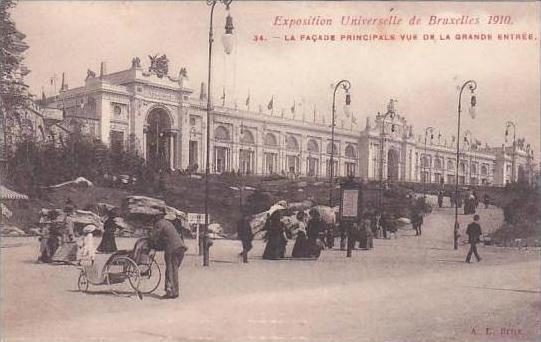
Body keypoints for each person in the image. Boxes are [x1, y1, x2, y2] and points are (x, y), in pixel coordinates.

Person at [149, 209, 188, 299]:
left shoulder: (159, 223)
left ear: (156, 217)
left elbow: (153, 237)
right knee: (174, 270)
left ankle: (170, 291)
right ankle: (175, 291)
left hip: (172, 249)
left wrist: (151, 242)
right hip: (180, 248)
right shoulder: (168, 223)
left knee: (170, 269)